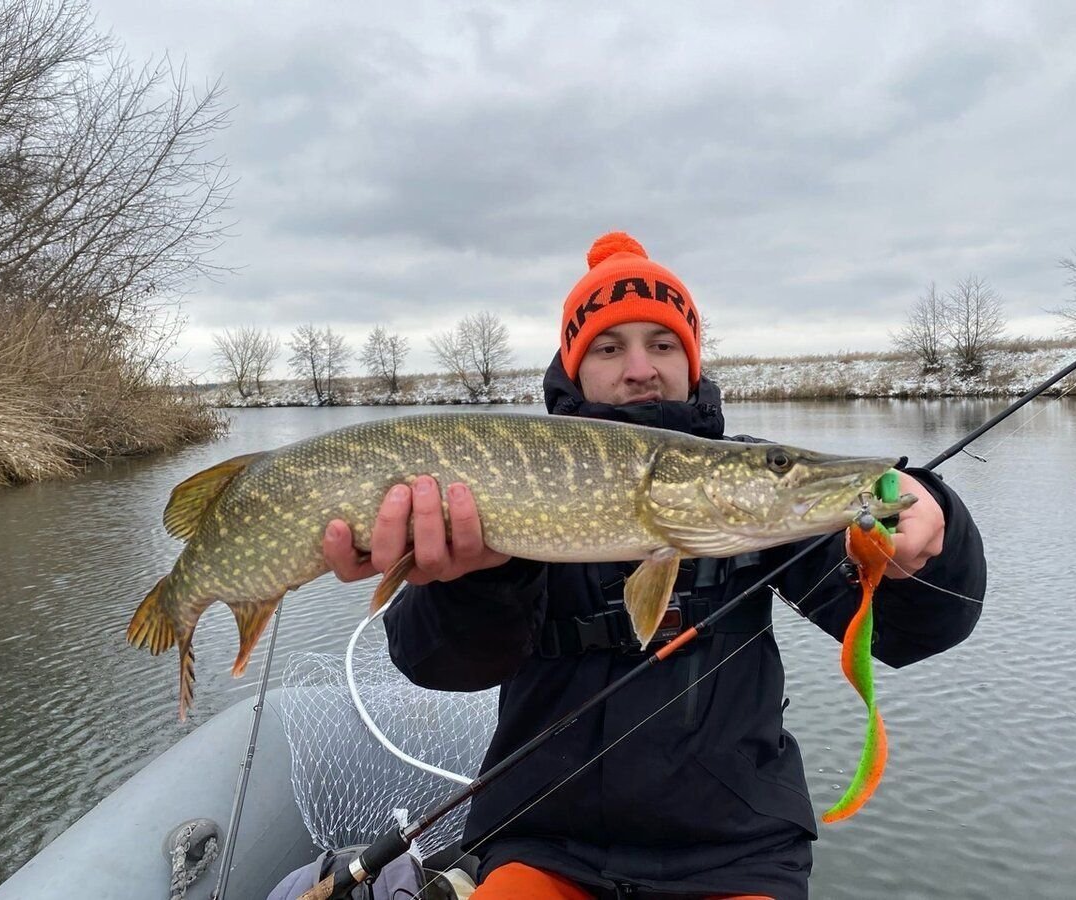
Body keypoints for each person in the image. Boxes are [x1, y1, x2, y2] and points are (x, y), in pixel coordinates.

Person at [323, 232, 986, 900]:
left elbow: (912, 631)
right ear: (575, 370)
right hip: (544, 840)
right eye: (610, 348)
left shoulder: (759, 493)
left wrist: (932, 533)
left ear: (692, 361)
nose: (640, 367)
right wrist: (479, 579)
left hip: (736, 850)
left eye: (662, 344)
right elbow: (435, 665)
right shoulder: (508, 481)